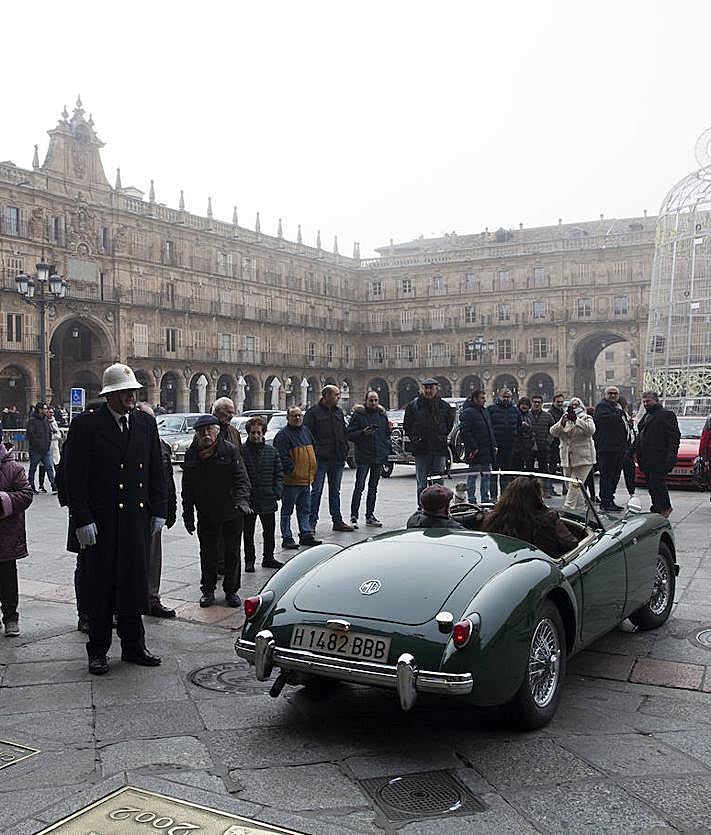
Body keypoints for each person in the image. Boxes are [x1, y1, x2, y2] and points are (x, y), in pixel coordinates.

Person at [64, 363, 168, 675]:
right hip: (102, 522)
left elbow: (155, 471)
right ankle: (98, 650)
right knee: (100, 586)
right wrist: (81, 518)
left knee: (134, 583)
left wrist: (159, 510)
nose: (130, 396)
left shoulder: (144, 424)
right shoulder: (87, 426)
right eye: (123, 392)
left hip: (136, 519)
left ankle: (134, 646)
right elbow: (75, 477)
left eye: (133, 391)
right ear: (109, 395)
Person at [181, 414, 252, 608]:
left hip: (231, 511)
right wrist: (187, 514)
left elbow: (242, 479)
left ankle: (231, 591)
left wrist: (241, 501)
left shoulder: (229, 451)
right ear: (197, 433)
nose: (206, 434)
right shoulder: (192, 454)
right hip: (206, 513)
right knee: (208, 553)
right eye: (202, 431)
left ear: (217, 431)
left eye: (209, 430)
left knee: (232, 554)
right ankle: (208, 590)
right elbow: (187, 488)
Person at [136, 403, 177, 618]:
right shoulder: (129, 443)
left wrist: (169, 508)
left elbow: (167, 480)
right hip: (133, 510)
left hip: (154, 510)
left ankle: (152, 598)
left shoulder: (162, 445)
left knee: (154, 557)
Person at [483, 476, 578, 559]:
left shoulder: (496, 518)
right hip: (547, 566)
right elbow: (570, 543)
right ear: (536, 497)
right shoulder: (549, 518)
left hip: (506, 566)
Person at [304, 385, 353, 532]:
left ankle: (337, 521)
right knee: (316, 491)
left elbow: (344, 432)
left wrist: (345, 449)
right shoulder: (313, 413)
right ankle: (311, 523)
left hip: (337, 458)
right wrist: (315, 452)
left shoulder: (338, 412)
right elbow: (307, 435)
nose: (338, 397)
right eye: (336, 395)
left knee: (335, 491)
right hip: (320, 459)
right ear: (326, 395)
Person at [274, 406, 322, 549]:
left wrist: (313, 468)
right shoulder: (283, 435)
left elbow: (313, 448)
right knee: (287, 511)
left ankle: (305, 533)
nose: (298, 418)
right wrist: (292, 470)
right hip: (291, 481)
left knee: (305, 509)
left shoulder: (306, 431)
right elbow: (281, 457)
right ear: (288, 418)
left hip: (306, 480)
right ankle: (287, 537)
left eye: (300, 416)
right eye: (294, 416)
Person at [241, 417, 284, 570]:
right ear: (249, 433)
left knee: (269, 531)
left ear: (263, 433)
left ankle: (268, 557)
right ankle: (249, 560)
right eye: (253, 433)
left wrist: (277, 491)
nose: (256, 435)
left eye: (258, 432)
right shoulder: (241, 451)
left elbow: (279, 473)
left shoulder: (271, 451)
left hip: (268, 497)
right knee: (248, 533)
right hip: (250, 499)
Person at [403, 378, 455, 506]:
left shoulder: (444, 406)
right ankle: (421, 508)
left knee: (438, 483)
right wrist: (416, 439)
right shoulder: (414, 406)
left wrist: (441, 436)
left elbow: (449, 425)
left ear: (437, 389)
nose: (428, 391)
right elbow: (407, 425)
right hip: (422, 450)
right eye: (426, 388)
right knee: (422, 483)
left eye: (431, 388)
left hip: (438, 449)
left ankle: (439, 507)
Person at [0, 439, 33, 636]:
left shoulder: (14, 468)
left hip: (6, 535)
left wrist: (3, 500)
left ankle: (11, 617)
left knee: (7, 578)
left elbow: (26, 494)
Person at [347, 391, 390, 527]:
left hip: (378, 456)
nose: (373, 403)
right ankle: (354, 516)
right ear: (365, 401)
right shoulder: (358, 415)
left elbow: (386, 435)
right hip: (364, 456)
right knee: (359, 486)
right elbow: (350, 434)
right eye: (371, 400)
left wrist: (385, 450)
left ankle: (370, 515)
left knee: (373, 487)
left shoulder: (381, 415)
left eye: (376, 400)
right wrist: (363, 433)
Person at [635, 392, 681, 518]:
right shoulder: (647, 415)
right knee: (651, 485)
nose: (645, 404)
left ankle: (665, 507)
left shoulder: (666, 415)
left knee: (657, 483)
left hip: (659, 457)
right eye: (643, 402)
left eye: (648, 401)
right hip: (647, 458)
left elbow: (674, 437)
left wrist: (671, 455)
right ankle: (656, 507)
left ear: (656, 401)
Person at [549, 397, 596, 511]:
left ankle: (567, 508)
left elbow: (590, 430)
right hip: (567, 459)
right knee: (571, 485)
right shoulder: (564, 419)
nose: (574, 407)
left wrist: (577, 420)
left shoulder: (586, 418)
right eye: (572, 405)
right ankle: (580, 509)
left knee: (574, 485)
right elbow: (552, 432)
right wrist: (561, 423)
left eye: (577, 405)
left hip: (583, 459)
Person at [593, 386, 629, 511]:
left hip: (619, 448)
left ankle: (610, 499)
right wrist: (620, 412)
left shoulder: (616, 408)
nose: (613, 396)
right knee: (607, 476)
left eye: (615, 393)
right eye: (610, 393)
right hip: (608, 449)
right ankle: (606, 501)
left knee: (615, 476)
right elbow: (606, 420)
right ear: (605, 395)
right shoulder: (603, 407)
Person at [458, 389, 496, 503]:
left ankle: (485, 499)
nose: (484, 400)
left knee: (486, 476)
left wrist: (494, 444)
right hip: (475, 450)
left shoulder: (484, 411)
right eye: (482, 398)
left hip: (487, 449)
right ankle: (472, 499)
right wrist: (473, 447)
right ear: (475, 399)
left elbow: (490, 430)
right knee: (473, 475)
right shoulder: (468, 412)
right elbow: (465, 432)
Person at [487, 388, 522, 500]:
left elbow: (519, 427)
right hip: (495, 447)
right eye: (504, 397)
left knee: (506, 474)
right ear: (499, 396)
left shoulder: (515, 410)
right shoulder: (491, 409)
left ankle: (504, 498)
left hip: (509, 446)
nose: (506, 399)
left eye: (508, 397)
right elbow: (488, 428)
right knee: (494, 474)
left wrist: (516, 442)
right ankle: (493, 498)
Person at [26, 402, 57, 494]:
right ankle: (31, 487)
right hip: (36, 450)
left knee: (49, 468)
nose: (46, 410)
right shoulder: (32, 420)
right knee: (33, 468)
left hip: (45, 449)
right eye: (45, 409)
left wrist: (47, 443)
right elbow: (31, 435)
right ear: (40, 410)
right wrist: (38, 444)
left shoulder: (45, 420)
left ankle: (54, 486)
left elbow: (49, 433)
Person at [529, 396, 556, 496]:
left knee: (544, 470)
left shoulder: (547, 416)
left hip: (543, 447)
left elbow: (553, 430)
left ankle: (545, 490)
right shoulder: (527, 415)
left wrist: (548, 441)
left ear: (542, 404)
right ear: (532, 403)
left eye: (539, 402)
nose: (536, 404)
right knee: (530, 470)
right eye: (535, 402)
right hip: (530, 447)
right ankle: (531, 491)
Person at [618, 396, 637, 498]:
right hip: (623, 447)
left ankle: (631, 492)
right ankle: (631, 492)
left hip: (628, 446)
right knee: (625, 471)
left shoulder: (625, 414)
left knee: (629, 471)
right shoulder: (619, 414)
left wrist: (630, 426)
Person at [512, 396, 537, 473]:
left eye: (526, 404)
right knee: (517, 468)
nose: (524, 406)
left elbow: (533, 429)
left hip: (528, 447)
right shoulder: (515, 414)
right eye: (522, 404)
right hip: (517, 447)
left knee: (529, 469)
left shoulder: (530, 415)